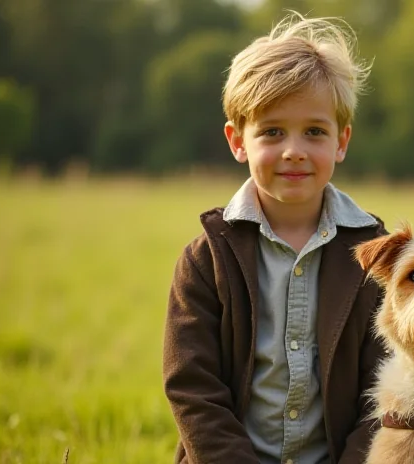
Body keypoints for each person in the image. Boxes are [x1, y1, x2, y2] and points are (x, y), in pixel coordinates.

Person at [162, 12, 387, 464]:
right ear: (237, 140)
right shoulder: (206, 258)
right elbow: (193, 388)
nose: (294, 150)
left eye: (314, 132)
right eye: (272, 131)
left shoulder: (376, 257)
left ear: (341, 141)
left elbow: (385, 389)